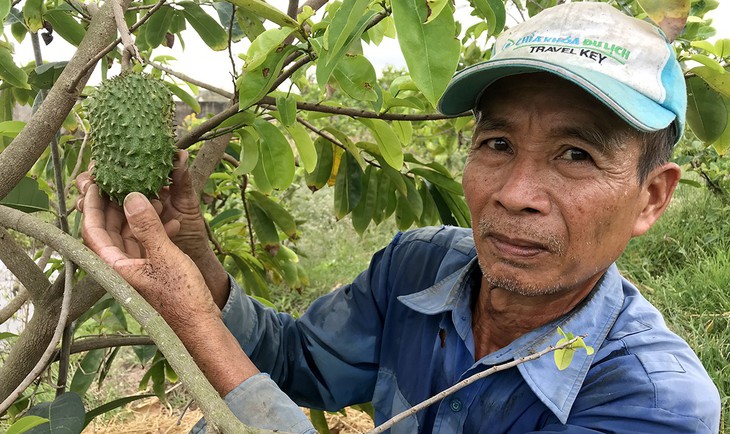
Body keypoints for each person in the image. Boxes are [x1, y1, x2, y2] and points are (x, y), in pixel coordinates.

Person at [77, 2, 721, 433]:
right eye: (497, 144)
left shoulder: (654, 403)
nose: (516, 192)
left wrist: (193, 321)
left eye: (575, 154)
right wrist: (194, 255)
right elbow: (296, 362)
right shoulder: (418, 268)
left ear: (652, 197)